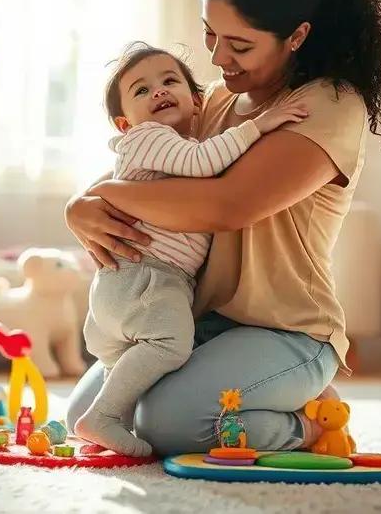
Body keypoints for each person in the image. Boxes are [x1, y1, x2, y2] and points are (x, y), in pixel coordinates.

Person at [65, 0, 381, 456]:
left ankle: (309, 422)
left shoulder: (328, 106)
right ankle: (243, 396)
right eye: (210, 35)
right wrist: (80, 206)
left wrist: (105, 195)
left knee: (167, 425)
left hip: (288, 331)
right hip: (201, 322)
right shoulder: (221, 101)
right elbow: (152, 167)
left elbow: (227, 205)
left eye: (240, 45)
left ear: (296, 36)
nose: (219, 57)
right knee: (84, 415)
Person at [74, 42, 308, 456]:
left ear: (197, 102)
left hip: (124, 289)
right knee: (169, 345)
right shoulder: (150, 138)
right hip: (148, 277)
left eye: (169, 81)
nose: (158, 91)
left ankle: (108, 419)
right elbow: (205, 161)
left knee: (130, 382)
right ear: (125, 125)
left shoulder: (164, 150)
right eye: (141, 91)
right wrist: (260, 125)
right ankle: (104, 418)